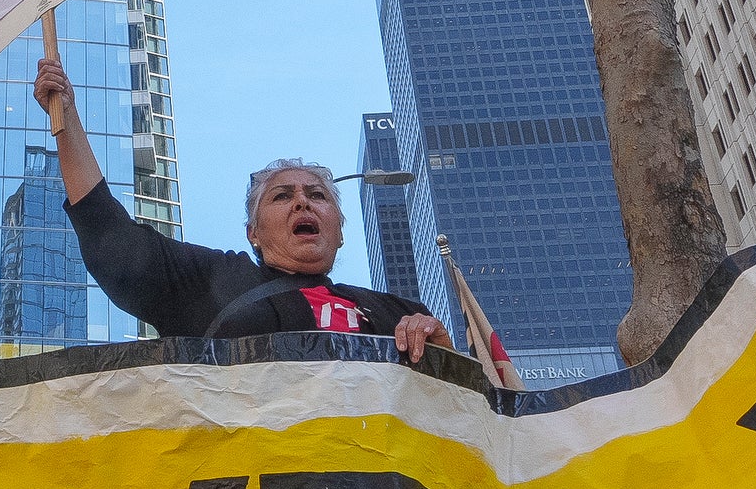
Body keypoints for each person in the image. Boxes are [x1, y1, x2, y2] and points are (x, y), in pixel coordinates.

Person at [31, 56, 459, 362]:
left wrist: (444, 353)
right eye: (281, 195)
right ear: (253, 232)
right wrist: (66, 121)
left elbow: (470, 415)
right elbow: (114, 243)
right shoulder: (209, 282)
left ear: (341, 231)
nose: (301, 201)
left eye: (317, 195)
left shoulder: (394, 313)